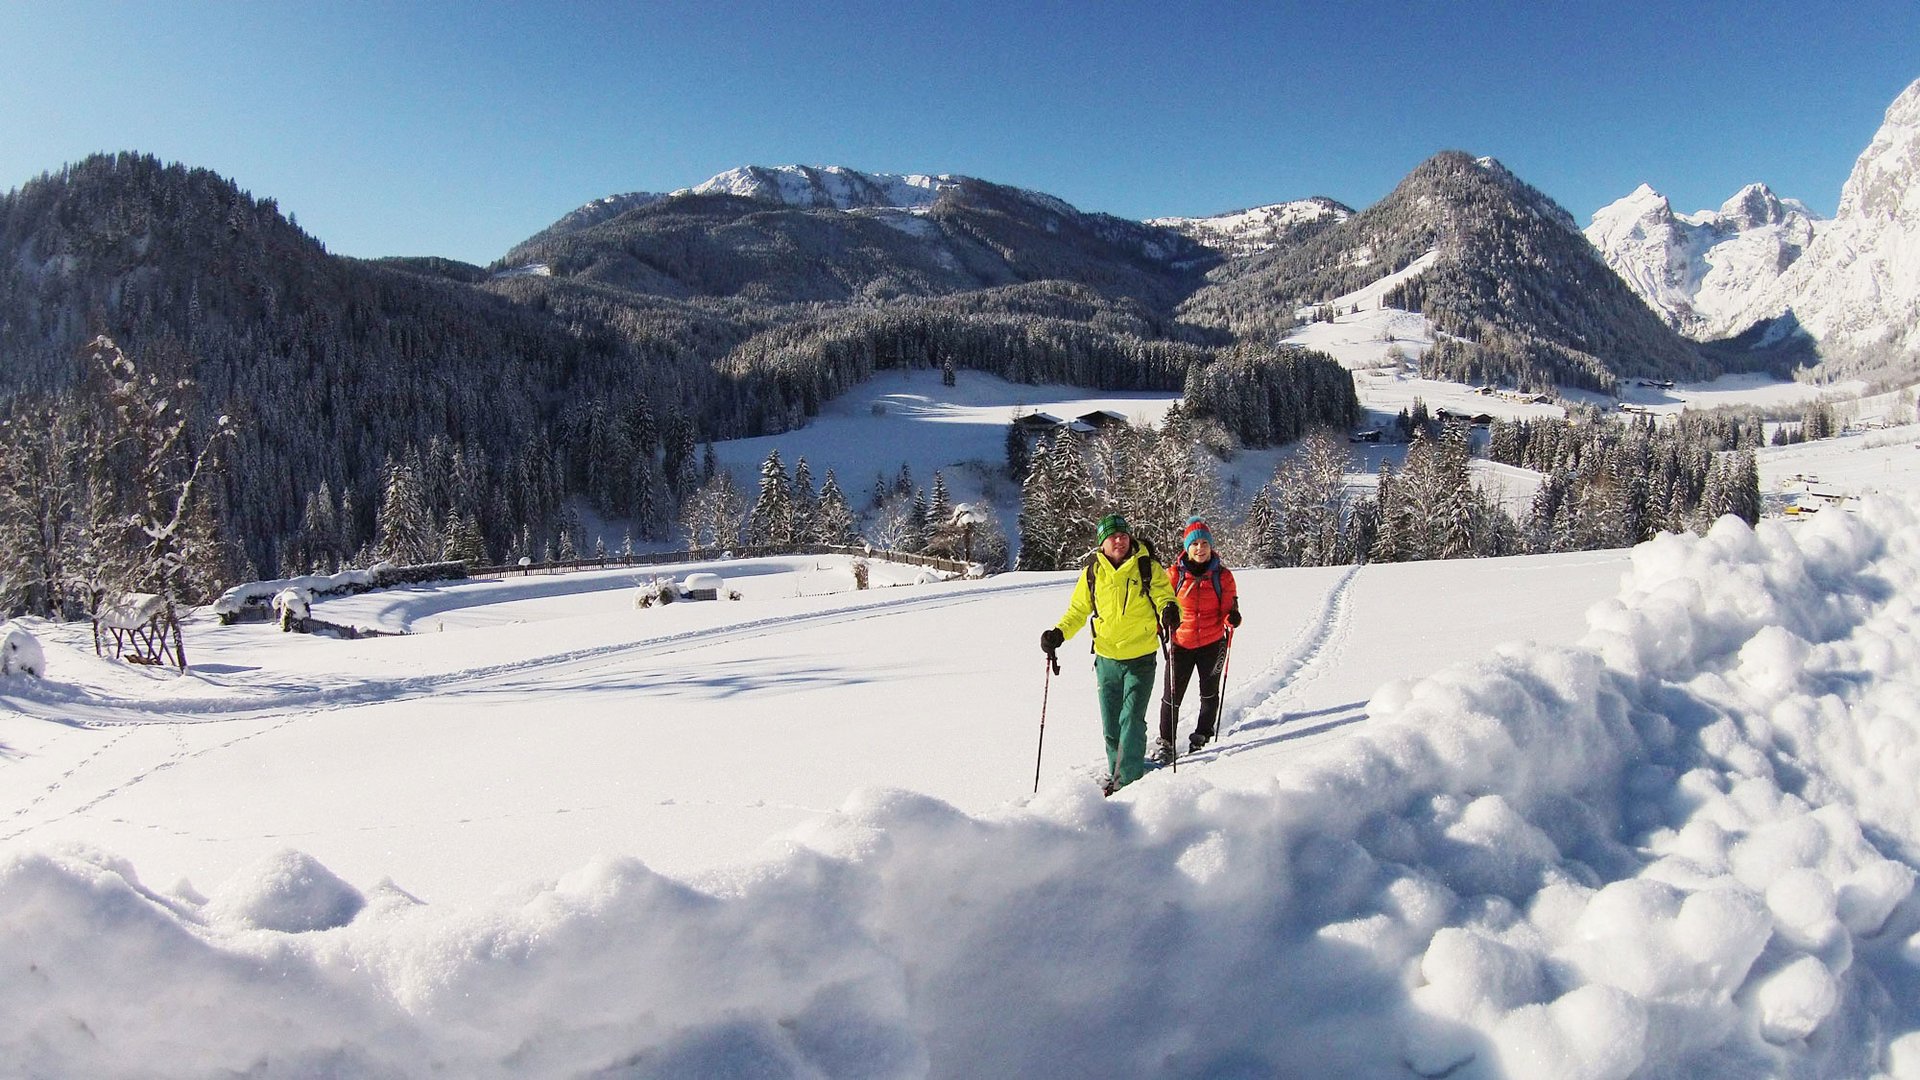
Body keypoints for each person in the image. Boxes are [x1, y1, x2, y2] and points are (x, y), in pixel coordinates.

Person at [1040, 513, 1179, 794]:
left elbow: (1166, 596)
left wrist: (1169, 609)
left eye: (1123, 535)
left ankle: (1129, 782)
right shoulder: (1093, 572)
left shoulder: (1147, 567)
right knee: (1111, 724)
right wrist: (1059, 634)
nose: (1119, 540)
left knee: (1131, 720)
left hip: (1140, 657)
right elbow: (1079, 611)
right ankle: (1119, 769)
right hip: (1106, 659)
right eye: (1112, 536)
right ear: (1102, 542)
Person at [1154, 517, 1241, 764]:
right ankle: (1167, 743)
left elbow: (1229, 608)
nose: (1200, 548)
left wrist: (1232, 618)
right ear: (1187, 547)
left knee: (1209, 695)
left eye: (1204, 543)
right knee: (1171, 696)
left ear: (1211, 546)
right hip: (1181, 643)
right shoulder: (1173, 575)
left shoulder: (1223, 577)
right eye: (1195, 544)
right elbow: (1161, 604)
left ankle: (1201, 736)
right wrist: (1163, 621)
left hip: (1213, 643)